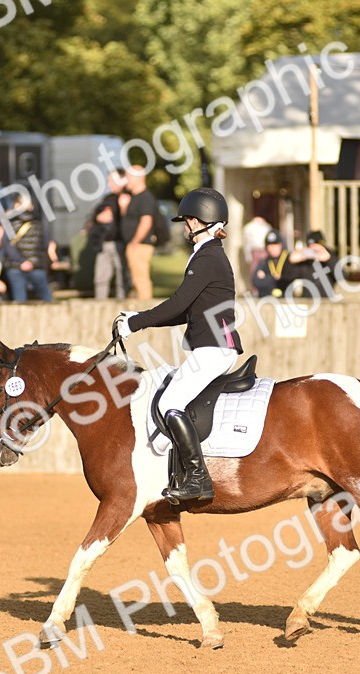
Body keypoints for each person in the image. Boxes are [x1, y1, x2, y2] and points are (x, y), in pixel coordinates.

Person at [115, 187, 243, 503]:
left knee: (168, 403)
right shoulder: (206, 255)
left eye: (187, 220)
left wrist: (135, 322)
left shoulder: (209, 257)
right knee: (168, 399)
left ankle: (198, 479)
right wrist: (137, 320)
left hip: (215, 349)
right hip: (211, 346)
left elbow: (177, 303)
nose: (184, 226)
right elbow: (185, 312)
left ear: (204, 220)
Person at [0, 196, 56, 302]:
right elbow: (45, 244)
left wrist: (21, 261)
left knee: (19, 299)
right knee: (47, 297)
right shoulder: (38, 224)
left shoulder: (10, 225)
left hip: (15, 266)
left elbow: (7, 246)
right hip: (35, 265)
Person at [121, 166, 156, 300]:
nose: (126, 181)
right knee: (135, 280)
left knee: (140, 279)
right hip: (134, 244)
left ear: (138, 178)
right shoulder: (133, 197)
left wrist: (135, 241)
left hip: (140, 245)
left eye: (129, 178)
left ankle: (146, 309)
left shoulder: (145, 197)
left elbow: (146, 221)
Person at [94, 171, 128, 299]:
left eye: (111, 181)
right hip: (105, 241)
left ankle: (122, 301)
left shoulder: (126, 197)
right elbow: (99, 215)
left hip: (120, 241)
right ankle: (100, 302)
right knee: (101, 277)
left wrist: (123, 208)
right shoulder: (108, 199)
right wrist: (98, 217)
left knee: (121, 275)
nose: (109, 184)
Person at [250, 229, 288, 298]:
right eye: (269, 245)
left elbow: (287, 280)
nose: (272, 248)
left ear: (281, 245)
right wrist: (274, 278)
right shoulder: (264, 262)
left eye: (275, 245)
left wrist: (266, 278)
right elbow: (255, 281)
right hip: (266, 301)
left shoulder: (287, 260)